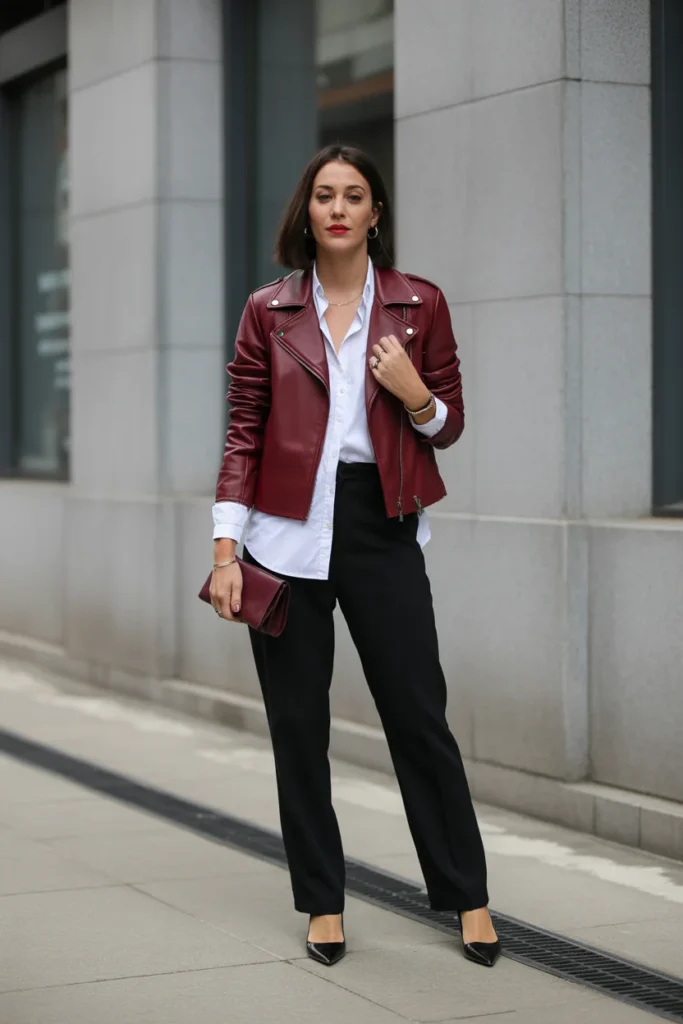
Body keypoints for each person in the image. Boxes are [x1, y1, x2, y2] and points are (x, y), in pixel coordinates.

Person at [210, 144, 500, 969]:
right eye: (324, 195)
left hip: (381, 528)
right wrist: (227, 549)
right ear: (306, 212)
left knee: (418, 719)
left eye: (355, 196)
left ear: (376, 214)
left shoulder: (419, 305)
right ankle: (321, 902)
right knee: (297, 729)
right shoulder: (268, 312)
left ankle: (466, 895)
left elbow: (447, 425)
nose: (338, 208)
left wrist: (412, 390)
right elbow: (242, 430)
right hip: (284, 535)